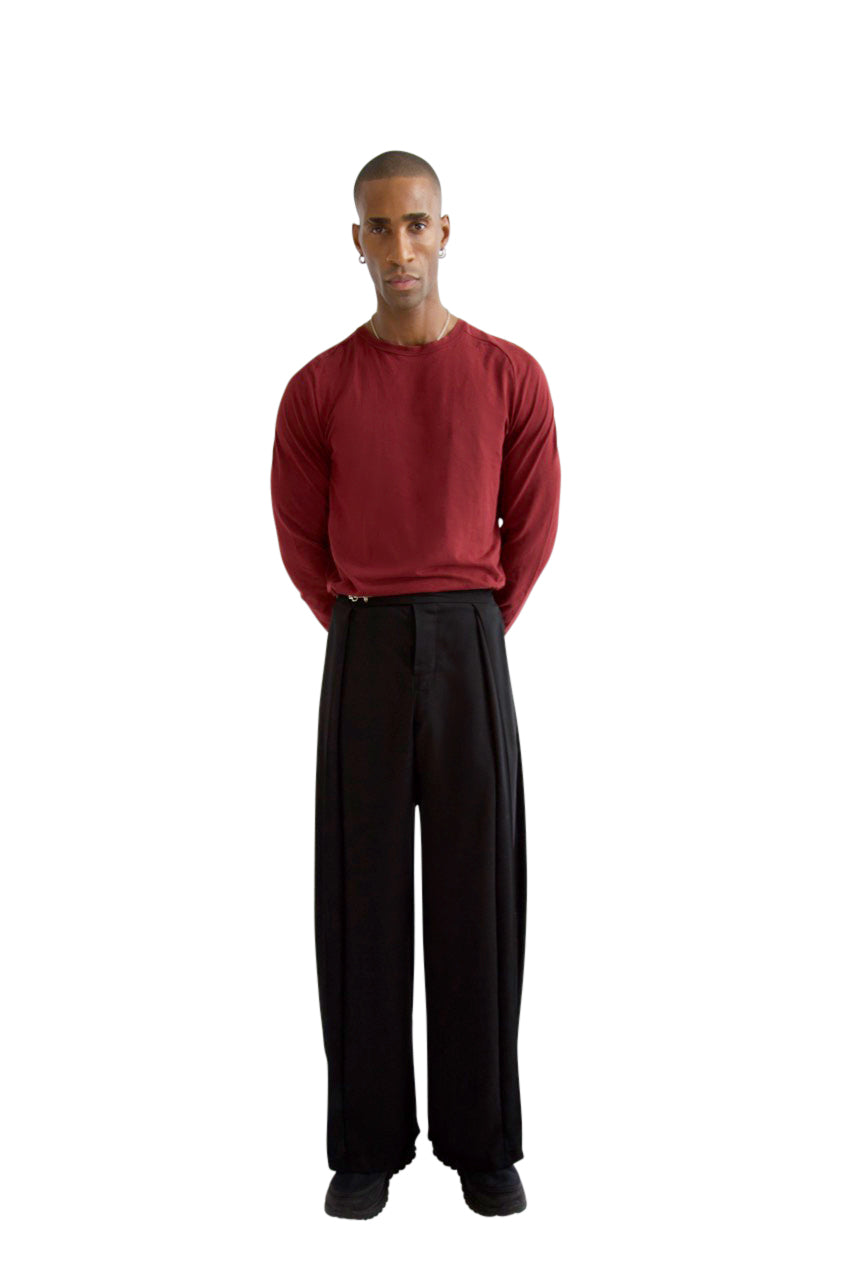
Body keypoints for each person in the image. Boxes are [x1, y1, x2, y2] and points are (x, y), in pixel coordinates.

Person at [270, 150, 561, 1219]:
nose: (400, 246)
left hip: (470, 633)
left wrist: (467, 627)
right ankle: (365, 1144)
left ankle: (482, 1142)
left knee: (480, 891)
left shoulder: (509, 375)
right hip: (363, 638)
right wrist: (368, 625)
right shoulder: (318, 388)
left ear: (446, 232)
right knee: (361, 892)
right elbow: (300, 534)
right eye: (381, 227)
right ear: (357, 240)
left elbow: (531, 525)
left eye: (417, 223)